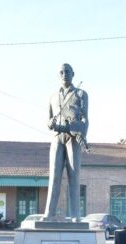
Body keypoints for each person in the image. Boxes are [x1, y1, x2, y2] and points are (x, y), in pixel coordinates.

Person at [44, 63, 89, 221]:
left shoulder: (81, 94)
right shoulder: (52, 97)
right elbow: (49, 119)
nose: (65, 74)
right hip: (57, 138)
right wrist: (50, 123)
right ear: (58, 75)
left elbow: (85, 119)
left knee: (73, 176)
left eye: (67, 71)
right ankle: (49, 214)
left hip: (73, 138)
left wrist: (77, 129)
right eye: (61, 72)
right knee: (54, 176)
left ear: (73, 73)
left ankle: (76, 214)